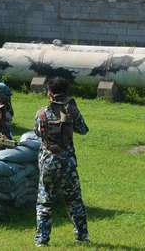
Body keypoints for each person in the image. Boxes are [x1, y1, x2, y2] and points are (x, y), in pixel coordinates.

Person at [33, 77, 90, 246]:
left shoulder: (41, 113)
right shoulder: (72, 111)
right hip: (68, 164)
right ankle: (82, 236)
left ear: (49, 94)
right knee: (74, 201)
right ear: (67, 93)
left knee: (45, 203)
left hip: (48, 163)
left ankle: (42, 240)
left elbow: (37, 133)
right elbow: (83, 130)